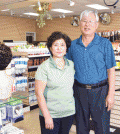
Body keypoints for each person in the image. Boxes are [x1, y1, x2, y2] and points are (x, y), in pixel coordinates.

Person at [66, 10, 116, 134]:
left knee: (102, 128)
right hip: (79, 91)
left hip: (101, 92)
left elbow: (111, 70)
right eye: (84, 21)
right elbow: (66, 70)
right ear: (79, 23)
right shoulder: (72, 45)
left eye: (90, 22)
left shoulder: (105, 44)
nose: (87, 25)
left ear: (96, 25)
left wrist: (111, 94)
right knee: (81, 127)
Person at [35, 31, 75, 134]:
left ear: (66, 48)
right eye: (55, 45)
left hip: (68, 113)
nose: (59, 48)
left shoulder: (71, 65)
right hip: (51, 114)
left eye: (62, 45)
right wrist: (47, 116)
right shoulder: (44, 67)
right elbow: (39, 94)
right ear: (50, 48)